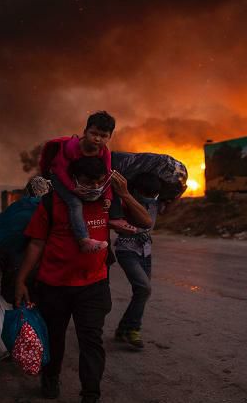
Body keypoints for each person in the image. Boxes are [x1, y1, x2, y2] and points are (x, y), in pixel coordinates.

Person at [14, 157, 152, 403]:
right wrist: (21, 280)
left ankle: (91, 394)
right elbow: (36, 243)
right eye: (88, 182)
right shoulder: (52, 202)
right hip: (53, 286)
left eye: (100, 181)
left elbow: (145, 222)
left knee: (91, 341)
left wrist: (125, 193)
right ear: (73, 179)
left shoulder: (108, 200)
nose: (95, 187)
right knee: (54, 337)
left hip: (93, 286)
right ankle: (50, 377)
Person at [40, 111, 136, 254]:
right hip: (61, 177)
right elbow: (60, 170)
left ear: (109, 137)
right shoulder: (72, 148)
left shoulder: (104, 152)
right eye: (94, 133)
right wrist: (73, 188)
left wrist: (107, 197)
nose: (97, 139)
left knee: (115, 180)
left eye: (103, 136)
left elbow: (107, 175)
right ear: (85, 132)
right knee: (75, 203)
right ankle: (83, 240)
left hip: (83, 177)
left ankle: (115, 218)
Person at [113, 173, 161, 349]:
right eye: (145, 194)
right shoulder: (125, 202)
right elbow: (144, 222)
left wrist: (179, 192)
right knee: (144, 288)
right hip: (127, 250)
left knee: (141, 292)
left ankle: (123, 329)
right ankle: (133, 329)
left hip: (146, 251)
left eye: (152, 194)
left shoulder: (154, 202)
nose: (149, 197)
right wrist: (126, 194)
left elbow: (166, 209)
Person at [0, 176, 52, 303]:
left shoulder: (14, 210)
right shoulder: (50, 209)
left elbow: (5, 244)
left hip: (14, 270)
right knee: (38, 312)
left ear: (27, 191)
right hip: (42, 274)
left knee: (15, 309)